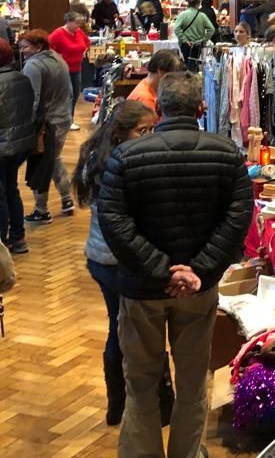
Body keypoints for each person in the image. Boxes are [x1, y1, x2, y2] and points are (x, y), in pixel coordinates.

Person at [97, 72, 252, 458]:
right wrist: (196, 270)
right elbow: (236, 221)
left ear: (159, 109)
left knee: (142, 383)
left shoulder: (126, 157)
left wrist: (159, 269)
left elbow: (115, 224)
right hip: (197, 290)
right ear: (201, 107)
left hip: (141, 288)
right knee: (193, 382)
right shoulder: (227, 154)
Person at [72, 101, 161, 427]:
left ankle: (120, 404)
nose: (148, 136)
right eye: (142, 130)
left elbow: (88, 203)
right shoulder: (123, 164)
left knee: (120, 325)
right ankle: (136, 402)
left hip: (100, 257)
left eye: (152, 130)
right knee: (129, 329)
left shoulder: (95, 156)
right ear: (121, 132)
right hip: (118, 260)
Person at [19, 29, 74, 222]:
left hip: (44, 124)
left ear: (38, 46)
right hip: (62, 118)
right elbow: (70, 91)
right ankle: (66, 198)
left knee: (39, 164)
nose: (22, 51)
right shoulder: (59, 59)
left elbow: (32, 99)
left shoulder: (33, 65)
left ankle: (41, 210)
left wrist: (28, 125)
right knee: (53, 159)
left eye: (25, 47)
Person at [0, 39, 34, 254]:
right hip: (20, 145)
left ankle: (2, 243)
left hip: (3, 145)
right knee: (11, 188)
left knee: (2, 195)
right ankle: (18, 237)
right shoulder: (22, 78)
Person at [49, 11, 92, 129]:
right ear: (68, 22)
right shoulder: (58, 33)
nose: (78, 25)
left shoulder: (78, 32)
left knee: (76, 94)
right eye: (76, 23)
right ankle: (66, 120)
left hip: (77, 67)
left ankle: (70, 118)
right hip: (64, 69)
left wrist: (84, 51)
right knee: (69, 94)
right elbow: (47, 46)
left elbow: (87, 42)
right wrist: (57, 56)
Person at [128, 49, 185, 113]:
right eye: (173, 75)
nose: (175, 80)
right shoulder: (146, 100)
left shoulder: (148, 85)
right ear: (161, 72)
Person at [174, 0, 215, 71]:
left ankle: (188, 75)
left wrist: (184, 39)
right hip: (198, 43)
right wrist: (204, 40)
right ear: (197, 4)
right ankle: (193, 75)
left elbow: (176, 29)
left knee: (187, 62)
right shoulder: (202, 16)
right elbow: (211, 29)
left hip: (185, 44)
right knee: (194, 62)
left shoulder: (182, 15)